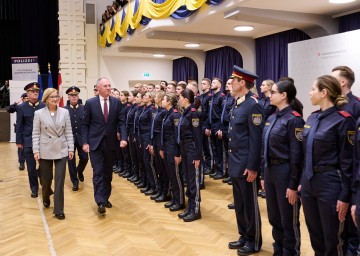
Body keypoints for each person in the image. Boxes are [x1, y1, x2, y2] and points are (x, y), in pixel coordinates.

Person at [301, 75, 355, 255]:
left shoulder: (344, 119)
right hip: (309, 184)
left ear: (324, 93)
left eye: (313, 89)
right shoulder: (312, 118)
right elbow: (305, 153)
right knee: (315, 235)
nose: (309, 93)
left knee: (333, 239)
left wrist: (345, 195)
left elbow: (348, 162)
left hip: (330, 184)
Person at [262, 80, 304, 255]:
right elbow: (264, 149)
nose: (270, 95)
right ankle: (278, 249)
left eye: (273, 92)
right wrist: (263, 176)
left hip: (286, 172)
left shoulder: (294, 120)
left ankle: (291, 252)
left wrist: (293, 185)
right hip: (270, 172)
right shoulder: (272, 118)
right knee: (274, 217)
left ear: (284, 95)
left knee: (288, 218)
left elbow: (297, 156)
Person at [227, 65, 264, 255]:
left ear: (242, 83)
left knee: (250, 204)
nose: (231, 83)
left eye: (234, 80)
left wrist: (252, 167)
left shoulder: (253, 104)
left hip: (246, 165)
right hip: (235, 162)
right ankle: (243, 234)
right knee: (239, 203)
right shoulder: (238, 103)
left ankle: (254, 240)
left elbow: (255, 139)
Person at [82, 77, 127, 215]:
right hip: (95, 143)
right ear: (98, 88)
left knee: (108, 173)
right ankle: (100, 201)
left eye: (109, 85)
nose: (109, 88)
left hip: (111, 144)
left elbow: (122, 122)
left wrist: (124, 138)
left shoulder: (116, 102)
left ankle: (105, 197)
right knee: (98, 172)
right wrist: (85, 142)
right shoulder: (90, 103)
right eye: (106, 86)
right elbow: (85, 124)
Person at [32, 88, 74, 220]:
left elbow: (68, 132)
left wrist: (71, 148)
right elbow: (35, 133)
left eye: (57, 97)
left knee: (60, 179)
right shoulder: (39, 113)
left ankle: (59, 209)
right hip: (45, 149)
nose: (55, 99)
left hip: (61, 149)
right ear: (45, 99)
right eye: (52, 97)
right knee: (46, 179)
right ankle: (45, 195)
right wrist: (36, 150)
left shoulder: (65, 112)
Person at [331, 66, 359, 256]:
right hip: (334, 170)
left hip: (351, 167)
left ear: (343, 82)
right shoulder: (332, 104)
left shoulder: (356, 105)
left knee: (351, 220)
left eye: (333, 78)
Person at [175, 89, 202, 222]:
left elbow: (197, 137)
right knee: (188, 179)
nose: (178, 100)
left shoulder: (193, 113)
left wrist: (198, 156)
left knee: (193, 182)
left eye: (179, 97)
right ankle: (190, 207)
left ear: (186, 99)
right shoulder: (184, 113)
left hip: (191, 149)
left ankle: (196, 210)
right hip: (185, 149)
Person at [16, 82, 46, 198]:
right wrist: (19, 141)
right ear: (27, 94)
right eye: (33, 91)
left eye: (37, 91)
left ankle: (42, 178)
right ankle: (34, 188)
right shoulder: (21, 107)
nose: (35, 93)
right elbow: (19, 125)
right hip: (28, 141)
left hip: (43, 141)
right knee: (31, 166)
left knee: (43, 165)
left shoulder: (44, 106)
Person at [160, 93, 183, 209]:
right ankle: (174, 198)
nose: (161, 101)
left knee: (176, 175)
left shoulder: (175, 115)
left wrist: (178, 153)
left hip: (173, 148)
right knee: (170, 174)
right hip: (167, 147)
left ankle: (180, 201)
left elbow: (177, 136)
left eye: (163, 99)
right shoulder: (167, 114)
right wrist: (162, 148)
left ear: (169, 101)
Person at [63, 86, 88, 191]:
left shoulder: (84, 108)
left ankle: (80, 171)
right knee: (71, 161)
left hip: (82, 138)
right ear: (68, 97)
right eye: (72, 95)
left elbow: (87, 124)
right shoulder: (64, 110)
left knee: (85, 158)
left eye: (76, 95)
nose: (74, 97)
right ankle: (75, 181)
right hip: (69, 139)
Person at [205, 78, 225, 180]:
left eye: (214, 83)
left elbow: (222, 114)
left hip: (218, 125)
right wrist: (208, 127)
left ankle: (221, 171)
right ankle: (216, 169)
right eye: (211, 82)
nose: (212, 84)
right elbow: (209, 113)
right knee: (214, 149)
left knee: (219, 149)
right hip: (212, 124)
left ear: (219, 85)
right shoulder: (211, 97)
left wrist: (221, 128)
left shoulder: (221, 97)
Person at [6, 92, 29, 170]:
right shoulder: (19, 107)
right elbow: (9, 109)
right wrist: (16, 102)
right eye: (26, 98)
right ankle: (22, 163)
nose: (28, 100)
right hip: (21, 130)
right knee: (21, 148)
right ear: (22, 99)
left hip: (30, 130)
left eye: (28, 98)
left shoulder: (33, 107)